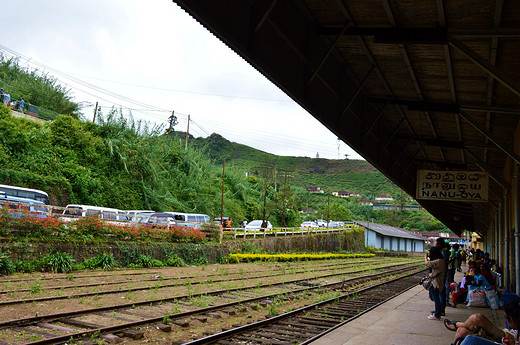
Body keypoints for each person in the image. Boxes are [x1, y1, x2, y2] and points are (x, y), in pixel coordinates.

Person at [443, 299, 520, 345]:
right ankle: (458, 325)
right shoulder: (517, 331)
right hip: (508, 336)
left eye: (506, 317)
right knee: (466, 327)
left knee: (468, 337)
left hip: (507, 336)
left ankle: (457, 324)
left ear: (512, 319)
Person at [425, 245, 446, 320]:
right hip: (436, 281)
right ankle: (438, 311)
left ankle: (437, 315)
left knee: (436, 298)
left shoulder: (439, 261)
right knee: (434, 296)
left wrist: (425, 257)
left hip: (436, 282)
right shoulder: (440, 260)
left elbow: (427, 263)